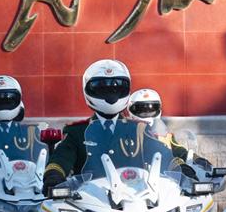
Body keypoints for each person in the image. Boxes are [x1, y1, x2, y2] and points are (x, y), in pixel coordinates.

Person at [43, 60, 175, 194]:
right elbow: (60, 159)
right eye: (103, 89)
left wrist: (181, 169)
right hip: (90, 200)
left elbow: (163, 154)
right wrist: (53, 176)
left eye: (116, 88)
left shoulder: (138, 130)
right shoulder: (77, 132)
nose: (111, 93)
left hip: (134, 197)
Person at [126, 88, 188, 163]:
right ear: (131, 110)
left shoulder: (165, 136)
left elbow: (178, 149)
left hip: (160, 169)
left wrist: (192, 157)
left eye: (151, 109)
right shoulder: (124, 132)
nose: (147, 113)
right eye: (141, 110)